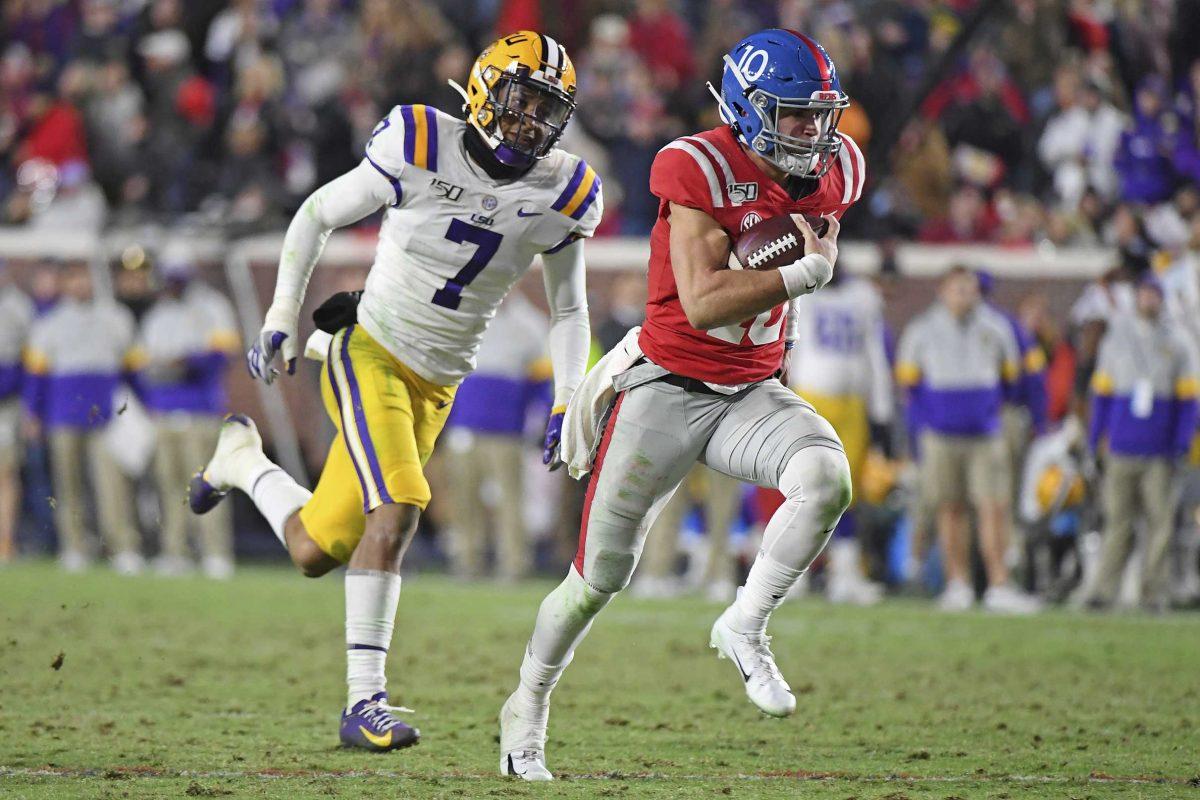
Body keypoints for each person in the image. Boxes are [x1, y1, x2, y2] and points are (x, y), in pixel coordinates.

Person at [188, 31, 600, 752]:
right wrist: (283, 311)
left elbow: (570, 311)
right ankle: (363, 703)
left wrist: (569, 396)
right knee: (402, 507)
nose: (530, 121)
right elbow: (317, 212)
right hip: (369, 350)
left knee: (319, 548)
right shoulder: (417, 142)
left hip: (437, 383)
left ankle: (242, 461)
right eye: (520, 100)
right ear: (481, 89)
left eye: (547, 109)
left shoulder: (563, 190)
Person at [499, 29, 866, 780]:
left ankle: (746, 622)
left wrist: (786, 259)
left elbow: (782, 236)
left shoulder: (840, 170)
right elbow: (700, 302)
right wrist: (801, 275)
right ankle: (526, 705)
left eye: (820, 115)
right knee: (594, 582)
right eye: (796, 115)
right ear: (747, 109)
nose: (814, 132)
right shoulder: (693, 164)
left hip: (752, 390)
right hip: (665, 390)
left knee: (828, 481)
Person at [896, 267, 1040, 614]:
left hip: (985, 433)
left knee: (994, 508)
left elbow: (1011, 379)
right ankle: (957, 583)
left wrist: (985, 410)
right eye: (958, 288)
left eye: (970, 289)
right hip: (941, 435)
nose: (965, 295)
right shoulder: (922, 329)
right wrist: (932, 419)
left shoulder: (996, 326)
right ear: (943, 291)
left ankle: (998, 584)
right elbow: (908, 383)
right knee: (950, 509)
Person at [1082, 277, 1199, 610]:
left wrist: (1180, 444)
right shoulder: (1117, 338)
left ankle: (1153, 593)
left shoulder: (1178, 341)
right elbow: (1101, 395)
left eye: (1153, 295)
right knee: (1116, 521)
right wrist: (1095, 440)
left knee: (1159, 524)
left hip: (1159, 450)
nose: (1148, 301)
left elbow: (1189, 401)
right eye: (1143, 295)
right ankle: (1104, 591)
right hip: (1121, 445)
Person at [23, 262, 141, 573]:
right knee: (68, 485)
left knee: (112, 485)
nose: (80, 285)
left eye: (84, 278)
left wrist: (145, 406)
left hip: (106, 415)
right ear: (65, 284)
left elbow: (133, 370)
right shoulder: (48, 323)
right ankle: (74, 546)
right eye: (74, 279)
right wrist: (33, 413)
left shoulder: (115, 318)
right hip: (62, 414)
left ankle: (123, 547)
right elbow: (37, 376)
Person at [786, 270, 893, 605]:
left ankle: (844, 574)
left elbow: (875, 355)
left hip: (852, 405)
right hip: (810, 398)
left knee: (847, 494)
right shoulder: (799, 288)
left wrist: (882, 411)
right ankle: (790, 574)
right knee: (801, 490)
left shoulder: (863, 295)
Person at [136, 252, 240, 579]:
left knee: (207, 483)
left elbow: (224, 354)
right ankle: (175, 551)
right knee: (169, 486)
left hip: (200, 410)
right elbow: (143, 363)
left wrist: (187, 362)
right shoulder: (158, 314)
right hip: (166, 410)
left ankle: (216, 553)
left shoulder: (211, 307)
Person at [441, 292, 551, 581]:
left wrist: (538, 422)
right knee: (464, 499)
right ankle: (467, 561)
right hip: (465, 426)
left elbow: (542, 383)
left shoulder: (530, 324)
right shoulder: (465, 316)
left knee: (510, 500)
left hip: (507, 430)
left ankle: (514, 563)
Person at [0, 263, 34, 563]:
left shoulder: (18, 307)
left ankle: (6, 542)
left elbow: (29, 362)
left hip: (5, 404)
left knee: (5, 474)